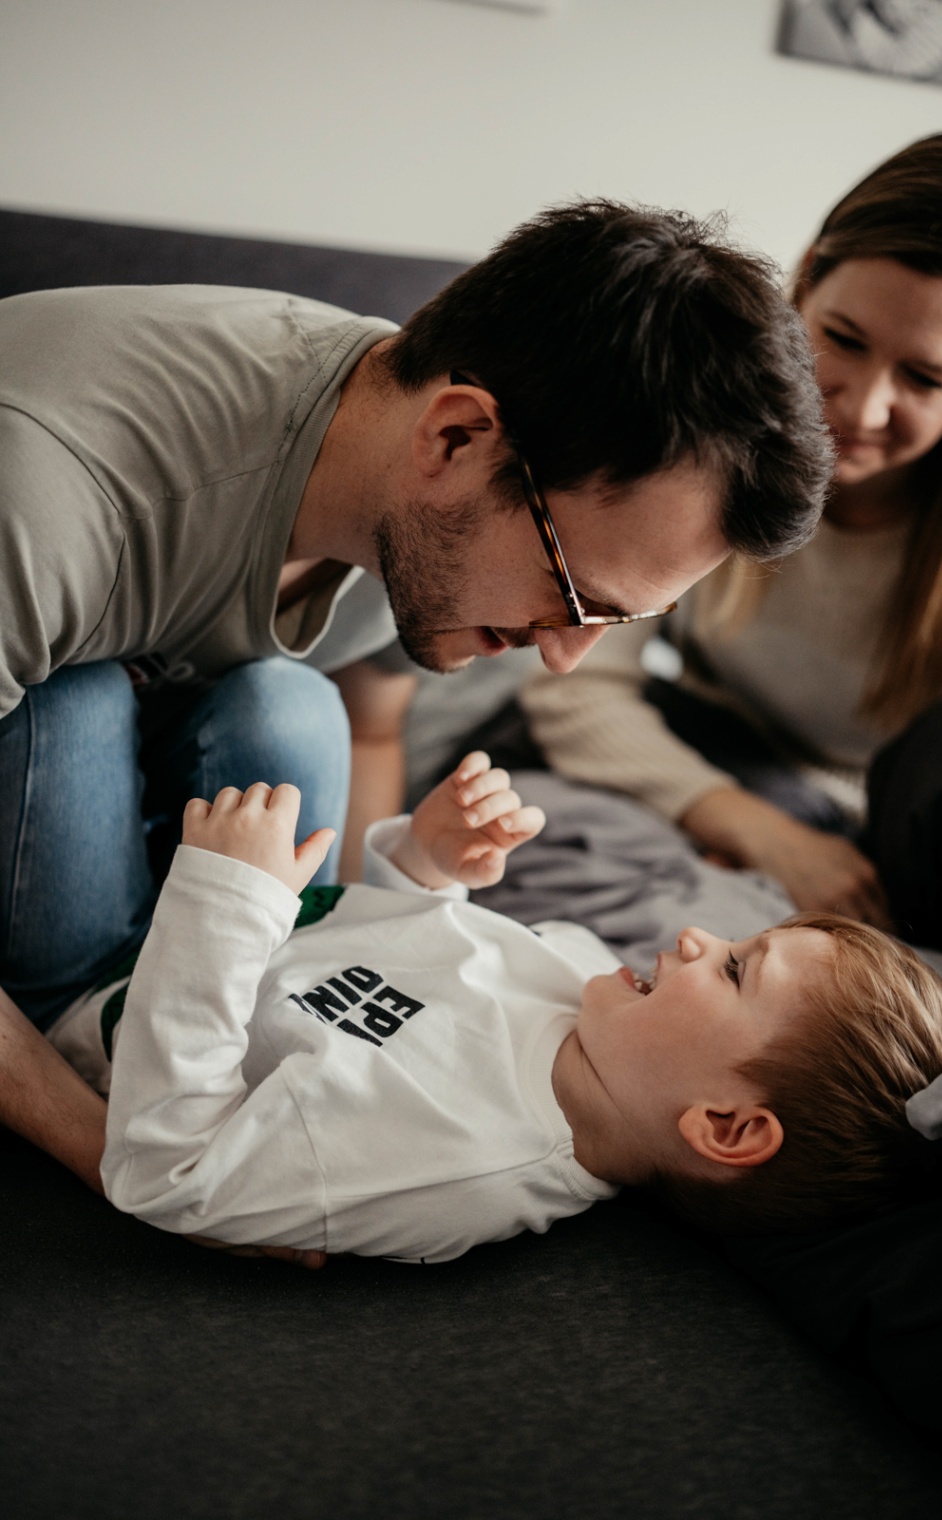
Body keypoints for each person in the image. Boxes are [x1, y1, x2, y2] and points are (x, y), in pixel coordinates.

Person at [0, 199, 833, 1192]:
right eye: (574, 598)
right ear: (454, 438)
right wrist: (117, 1156)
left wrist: (383, 917)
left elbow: (371, 726)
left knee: (290, 701)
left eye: (614, 623)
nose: (561, 661)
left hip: (183, 881)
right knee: (79, 701)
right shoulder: (44, 498)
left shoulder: (408, 505)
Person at [43, 755, 942, 1260]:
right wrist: (431, 865)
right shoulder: (585, 989)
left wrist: (223, 901)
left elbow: (168, 1172)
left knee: (79, 716)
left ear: (723, 1127)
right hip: (238, 909)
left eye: (732, 972)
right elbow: (390, 951)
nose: (696, 938)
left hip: (98, 994)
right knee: (291, 706)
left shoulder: (460, 1163)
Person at [521, 133, 942, 928]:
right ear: (807, 280)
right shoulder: (700, 437)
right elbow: (572, 681)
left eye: (924, 378)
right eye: (843, 340)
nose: (860, 409)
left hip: (885, 834)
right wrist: (753, 829)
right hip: (704, 761)